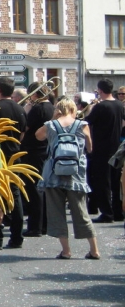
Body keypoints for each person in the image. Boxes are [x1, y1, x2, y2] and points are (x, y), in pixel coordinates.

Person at [36, 98, 100, 259]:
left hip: (53, 173)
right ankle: (94, 249)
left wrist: (52, 119)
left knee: (56, 211)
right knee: (81, 211)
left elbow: (38, 136)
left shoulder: (51, 125)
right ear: (73, 109)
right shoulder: (82, 125)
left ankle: (66, 251)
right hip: (76, 173)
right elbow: (90, 148)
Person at [0, 77, 27, 250]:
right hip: (15, 155)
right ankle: (17, 237)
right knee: (14, 196)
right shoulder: (20, 108)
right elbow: (23, 133)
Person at [85, 79, 125, 223]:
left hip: (102, 149)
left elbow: (87, 121)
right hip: (116, 147)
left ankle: (107, 213)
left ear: (100, 91)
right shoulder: (120, 105)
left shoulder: (101, 107)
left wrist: (91, 108)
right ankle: (117, 212)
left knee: (103, 182)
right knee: (115, 183)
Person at [21, 83, 54, 237]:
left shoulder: (38, 108)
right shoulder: (51, 107)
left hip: (33, 150)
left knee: (34, 189)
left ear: (34, 94)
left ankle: (35, 226)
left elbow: (26, 127)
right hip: (43, 150)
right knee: (41, 188)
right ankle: (45, 224)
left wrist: (26, 111)